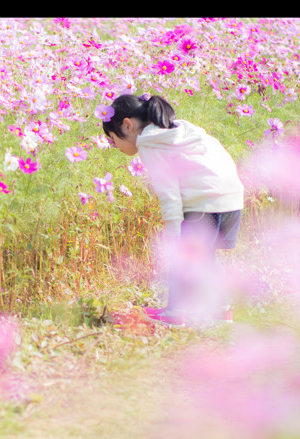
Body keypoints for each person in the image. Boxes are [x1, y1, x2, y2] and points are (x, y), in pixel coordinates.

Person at [103, 93, 243, 327]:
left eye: (112, 139)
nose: (114, 146)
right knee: (206, 257)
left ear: (127, 125)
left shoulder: (149, 143)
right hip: (231, 199)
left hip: (203, 201)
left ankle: (174, 314)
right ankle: (221, 311)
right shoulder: (180, 130)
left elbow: (169, 194)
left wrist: (172, 232)